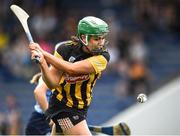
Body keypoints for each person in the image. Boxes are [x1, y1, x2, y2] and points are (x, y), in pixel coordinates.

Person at [29, 16, 110, 135]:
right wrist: (43, 64)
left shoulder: (103, 57)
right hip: (63, 108)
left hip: (81, 108)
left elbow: (71, 69)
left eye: (102, 38)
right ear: (84, 38)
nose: (101, 43)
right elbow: (52, 83)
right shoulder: (64, 50)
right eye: (97, 39)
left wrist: (43, 54)